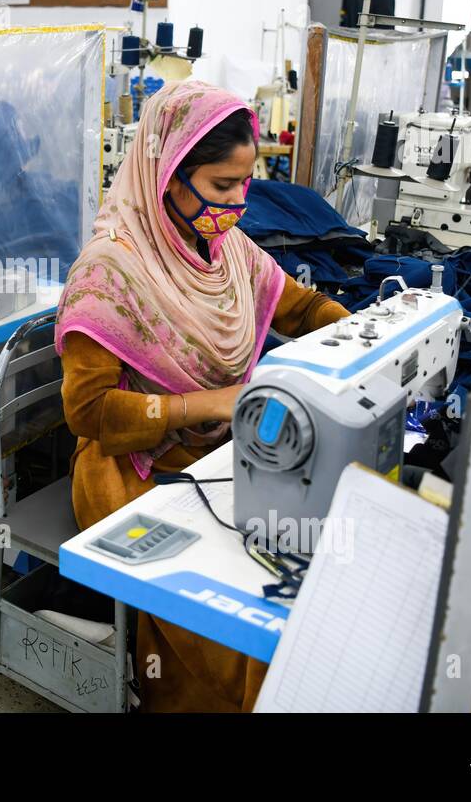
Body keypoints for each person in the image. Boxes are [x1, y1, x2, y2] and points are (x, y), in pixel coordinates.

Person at [55, 81, 349, 712]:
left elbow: (298, 308)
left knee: (303, 574)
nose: (241, 203)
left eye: (247, 183)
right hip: (128, 469)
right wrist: (209, 404)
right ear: (169, 176)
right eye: (223, 187)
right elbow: (89, 413)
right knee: (230, 613)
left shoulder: (226, 251)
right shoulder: (110, 271)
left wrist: (360, 330)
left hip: (217, 454)